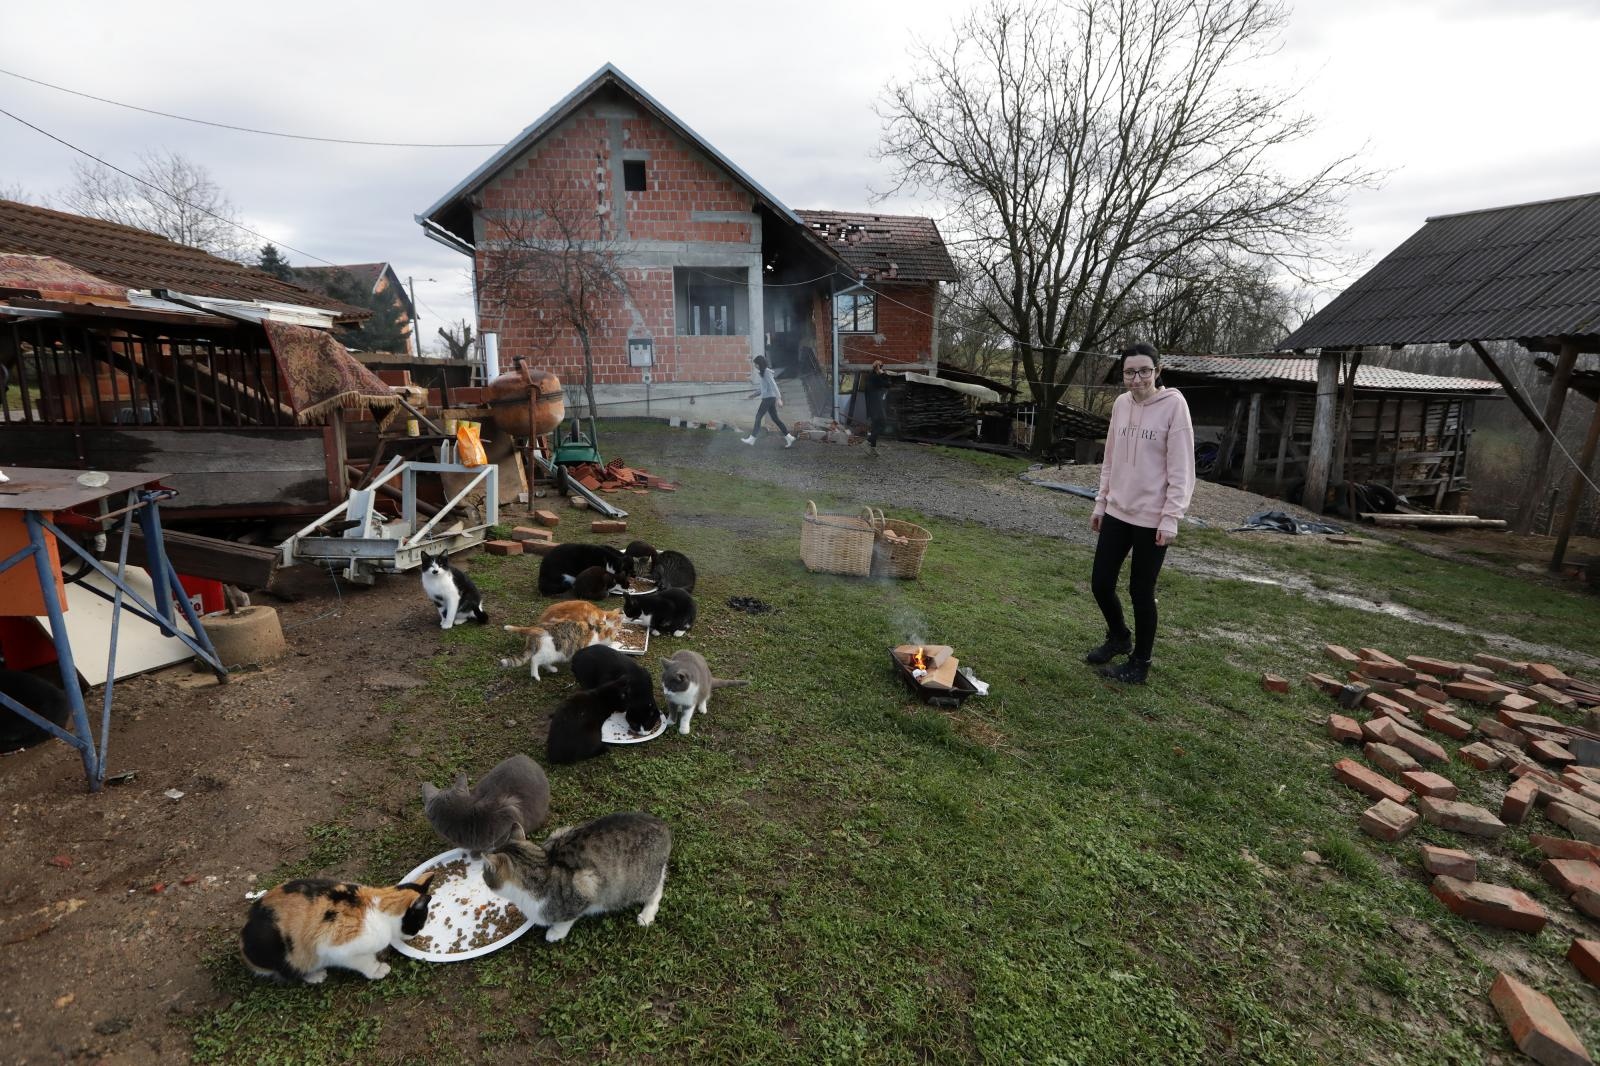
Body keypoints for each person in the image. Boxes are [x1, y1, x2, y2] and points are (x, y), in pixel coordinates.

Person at [1086, 342, 1195, 684]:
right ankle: (1119, 636)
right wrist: (1101, 502)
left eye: (1144, 371)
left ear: (1157, 371)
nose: (1137, 379)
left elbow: (1181, 468)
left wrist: (1171, 517)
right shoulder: (1120, 405)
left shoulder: (1174, 406)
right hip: (1118, 511)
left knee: (1140, 591)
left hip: (1152, 518)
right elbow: (1111, 459)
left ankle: (1140, 662)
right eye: (1130, 372)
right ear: (1123, 375)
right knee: (1101, 583)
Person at [742, 355, 794, 448]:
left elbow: (774, 385)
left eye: (756, 364)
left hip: (769, 399)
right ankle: (788, 436)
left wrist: (779, 398)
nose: (755, 365)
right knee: (775, 419)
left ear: (759, 364)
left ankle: (752, 438)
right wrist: (753, 395)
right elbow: (763, 389)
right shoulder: (763, 373)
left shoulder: (766, 372)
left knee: (758, 416)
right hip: (769, 398)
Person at [863, 360, 896, 451]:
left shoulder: (870, 376)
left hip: (871, 406)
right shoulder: (876, 378)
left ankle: (872, 449)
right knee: (883, 424)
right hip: (877, 405)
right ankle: (868, 441)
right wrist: (883, 374)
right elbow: (888, 384)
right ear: (879, 368)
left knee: (875, 426)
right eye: (881, 367)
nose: (882, 369)